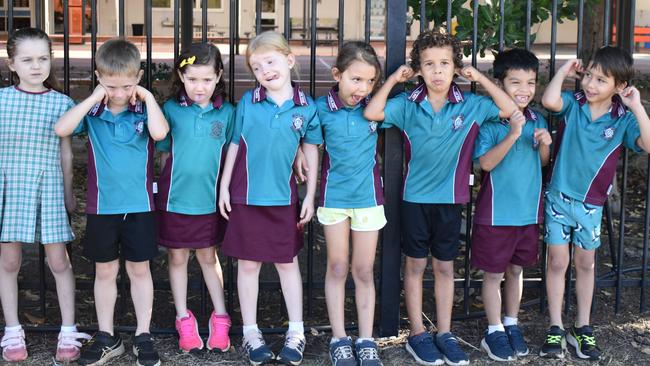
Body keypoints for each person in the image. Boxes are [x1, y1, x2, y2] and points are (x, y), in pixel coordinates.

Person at [364, 30, 523, 366]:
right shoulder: (408, 106)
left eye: (445, 64)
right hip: (414, 200)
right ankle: (419, 334)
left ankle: (446, 333)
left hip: (450, 200)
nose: (437, 71)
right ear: (419, 70)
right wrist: (394, 78)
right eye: (429, 64)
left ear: (455, 68)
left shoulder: (472, 105)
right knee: (415, 265)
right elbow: (372, 113)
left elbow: (509, 109)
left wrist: (478, 76)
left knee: (445, 267)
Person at [54, 38, 169, 366]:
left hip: (140, 207)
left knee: (139, 269)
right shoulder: (93, 111)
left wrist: (145, 97)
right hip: (103, 208)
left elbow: (160, 134)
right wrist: (94, 95)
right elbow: (62, 128)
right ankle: (107, 336)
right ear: (98, 76)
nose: (119, 93)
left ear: (140, 77)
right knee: (104, 271)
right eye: (111, 85)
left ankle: (142, 334)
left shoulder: (143, 108)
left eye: (128, 85)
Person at [540, 45, 650, 360]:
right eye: (589, 75)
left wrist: (637, 106)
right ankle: (555, 327)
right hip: (559, 196)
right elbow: (549, 100)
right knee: (557, 262)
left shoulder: (623, 120)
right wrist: (563, 71)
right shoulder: (574, 104)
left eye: (601, 80)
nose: (590, 84)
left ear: (619, 86)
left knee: (586, 263)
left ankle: (582, 327)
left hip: (591, 204)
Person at [218, 31, 321, 366]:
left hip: (283, 198)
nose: (265, 70)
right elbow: (235, 143)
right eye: (257, 67)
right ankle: (250, 332)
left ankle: (296, 332)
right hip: (246, 196)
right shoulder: (249, 101)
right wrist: (223, 186)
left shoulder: (307, 107)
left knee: (287, 263)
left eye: (271, 61)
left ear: (289, 60)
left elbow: (310, 150)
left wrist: (310, 195)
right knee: (248, 265)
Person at [0, 27, 90, 363]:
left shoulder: (62, 103)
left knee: (59, 261)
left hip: (48, 186)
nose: (36, 66)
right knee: (9, 261)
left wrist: (68, 194)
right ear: (12, 64)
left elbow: (67, 155)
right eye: (27, 59)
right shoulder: (1, 100)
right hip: (8, 187)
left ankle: (68, 329)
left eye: (43, 58)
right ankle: (12, 331)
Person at [471, 48, 551, 362]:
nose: (524, 90)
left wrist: (543, 145)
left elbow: (542, 162)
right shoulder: (492, 122)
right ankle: (493, 330)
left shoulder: (537, 119)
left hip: (527, 214)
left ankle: (511, 322)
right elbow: (485, 164)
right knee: (492, 274)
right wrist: (514, 134)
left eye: (530, 83)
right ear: (499, 83)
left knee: (516, 270)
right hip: (496, 214)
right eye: (515, 82)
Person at [156, 42, 233, 353]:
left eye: (206, 79)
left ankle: (221, 317)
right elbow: (162, 156)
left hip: (209, 201)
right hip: (175, 201)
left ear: (218, 77)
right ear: (180, 76)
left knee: (207, 257)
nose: (199, 87)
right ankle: (183, 319)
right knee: (176, 257)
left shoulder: (228, 113)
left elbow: (232, 156)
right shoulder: (171, 110)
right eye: (191, 79)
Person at [316, 41, 385, 366]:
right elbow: (308, 147)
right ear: (337, 75)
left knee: (363, 270)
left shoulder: (375, 107)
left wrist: (395, 80)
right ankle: (339, 337)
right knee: (338, 266)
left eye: (370, 81)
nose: (363, 88)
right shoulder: (321, 109)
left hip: (369, 200)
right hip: (334, 200)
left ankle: (366, 338)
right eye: (356, 79)